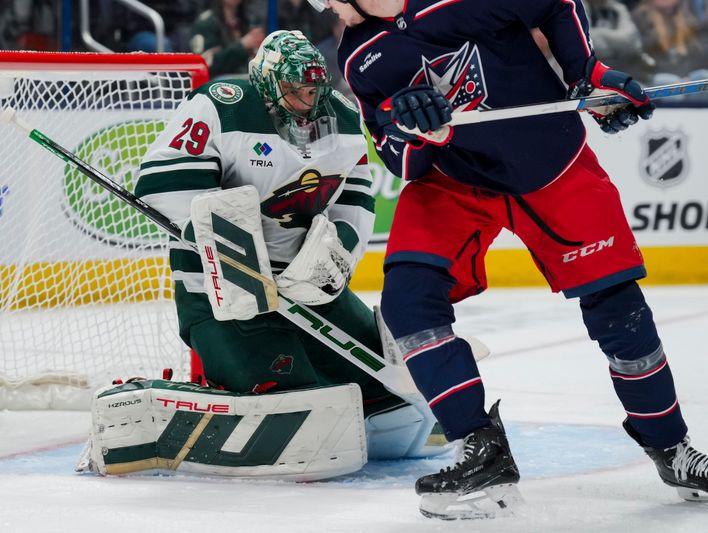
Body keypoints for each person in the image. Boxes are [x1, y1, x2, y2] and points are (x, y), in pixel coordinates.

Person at [307, 0, 708, 520]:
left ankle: (672, 447)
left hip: (550, 163)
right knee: (408, 304)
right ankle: (480, 448)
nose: (329, 9)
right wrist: (411, 128)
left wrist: (586, 70)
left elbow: (556, 4)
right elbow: (399, 159)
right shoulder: (359, 53)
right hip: (455, 181)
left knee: (619, 313)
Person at [76, 30, 448, 479]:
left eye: (314, 88)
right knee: (292, 390)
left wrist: (337, 255)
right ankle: (169, 403)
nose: (307, 100)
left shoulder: (345, 116)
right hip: (222, 292)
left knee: (386, 388)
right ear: (269, 84)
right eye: (295, 90)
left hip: (308, 287)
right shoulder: (221, 104)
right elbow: (161, 183)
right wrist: (232, 253)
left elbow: (356, 195)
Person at [189, 0, 266, 78]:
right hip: (216, 83)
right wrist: (242, 45)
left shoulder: (249, 19)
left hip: (245, 78)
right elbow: (205, 64)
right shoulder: (205, 23)